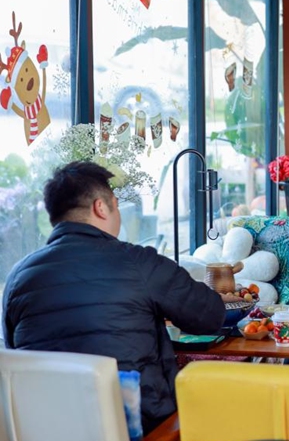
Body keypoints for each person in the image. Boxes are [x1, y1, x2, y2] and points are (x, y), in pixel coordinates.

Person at [2, 161, 226, 435]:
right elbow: (210, 316)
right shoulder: (138, 262)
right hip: (141, 429)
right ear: (100, 207)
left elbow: (15, 359)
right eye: (116, 205)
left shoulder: (17, 278)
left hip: (47, 431)